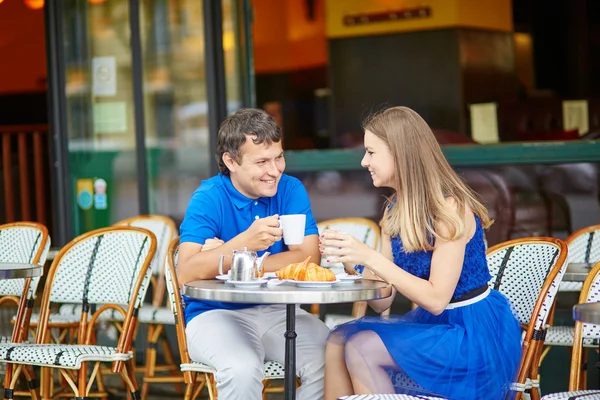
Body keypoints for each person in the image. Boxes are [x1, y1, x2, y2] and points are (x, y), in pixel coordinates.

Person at [319, 106, 522, 400]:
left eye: (371, 152)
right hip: (434, 327)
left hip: (470, 332)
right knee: (339, 340)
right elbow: (383, 300)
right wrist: (355, 263)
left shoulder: (450, 209)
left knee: (361, 347)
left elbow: (437, 299)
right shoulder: (394, 210)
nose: (364, 162)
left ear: (400, 154)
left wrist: (370, 257)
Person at [178, 108, 330, 400]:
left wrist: (236, 261)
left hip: (279, 311)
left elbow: (309, 256)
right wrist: (244, 242)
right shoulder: (209, 197)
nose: (275, 170)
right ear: (230, 161)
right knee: (242, 367)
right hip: (214, 314)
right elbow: (187, 271)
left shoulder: (290, 189)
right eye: (262, 161)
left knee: (332, 353)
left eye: (279, 157)